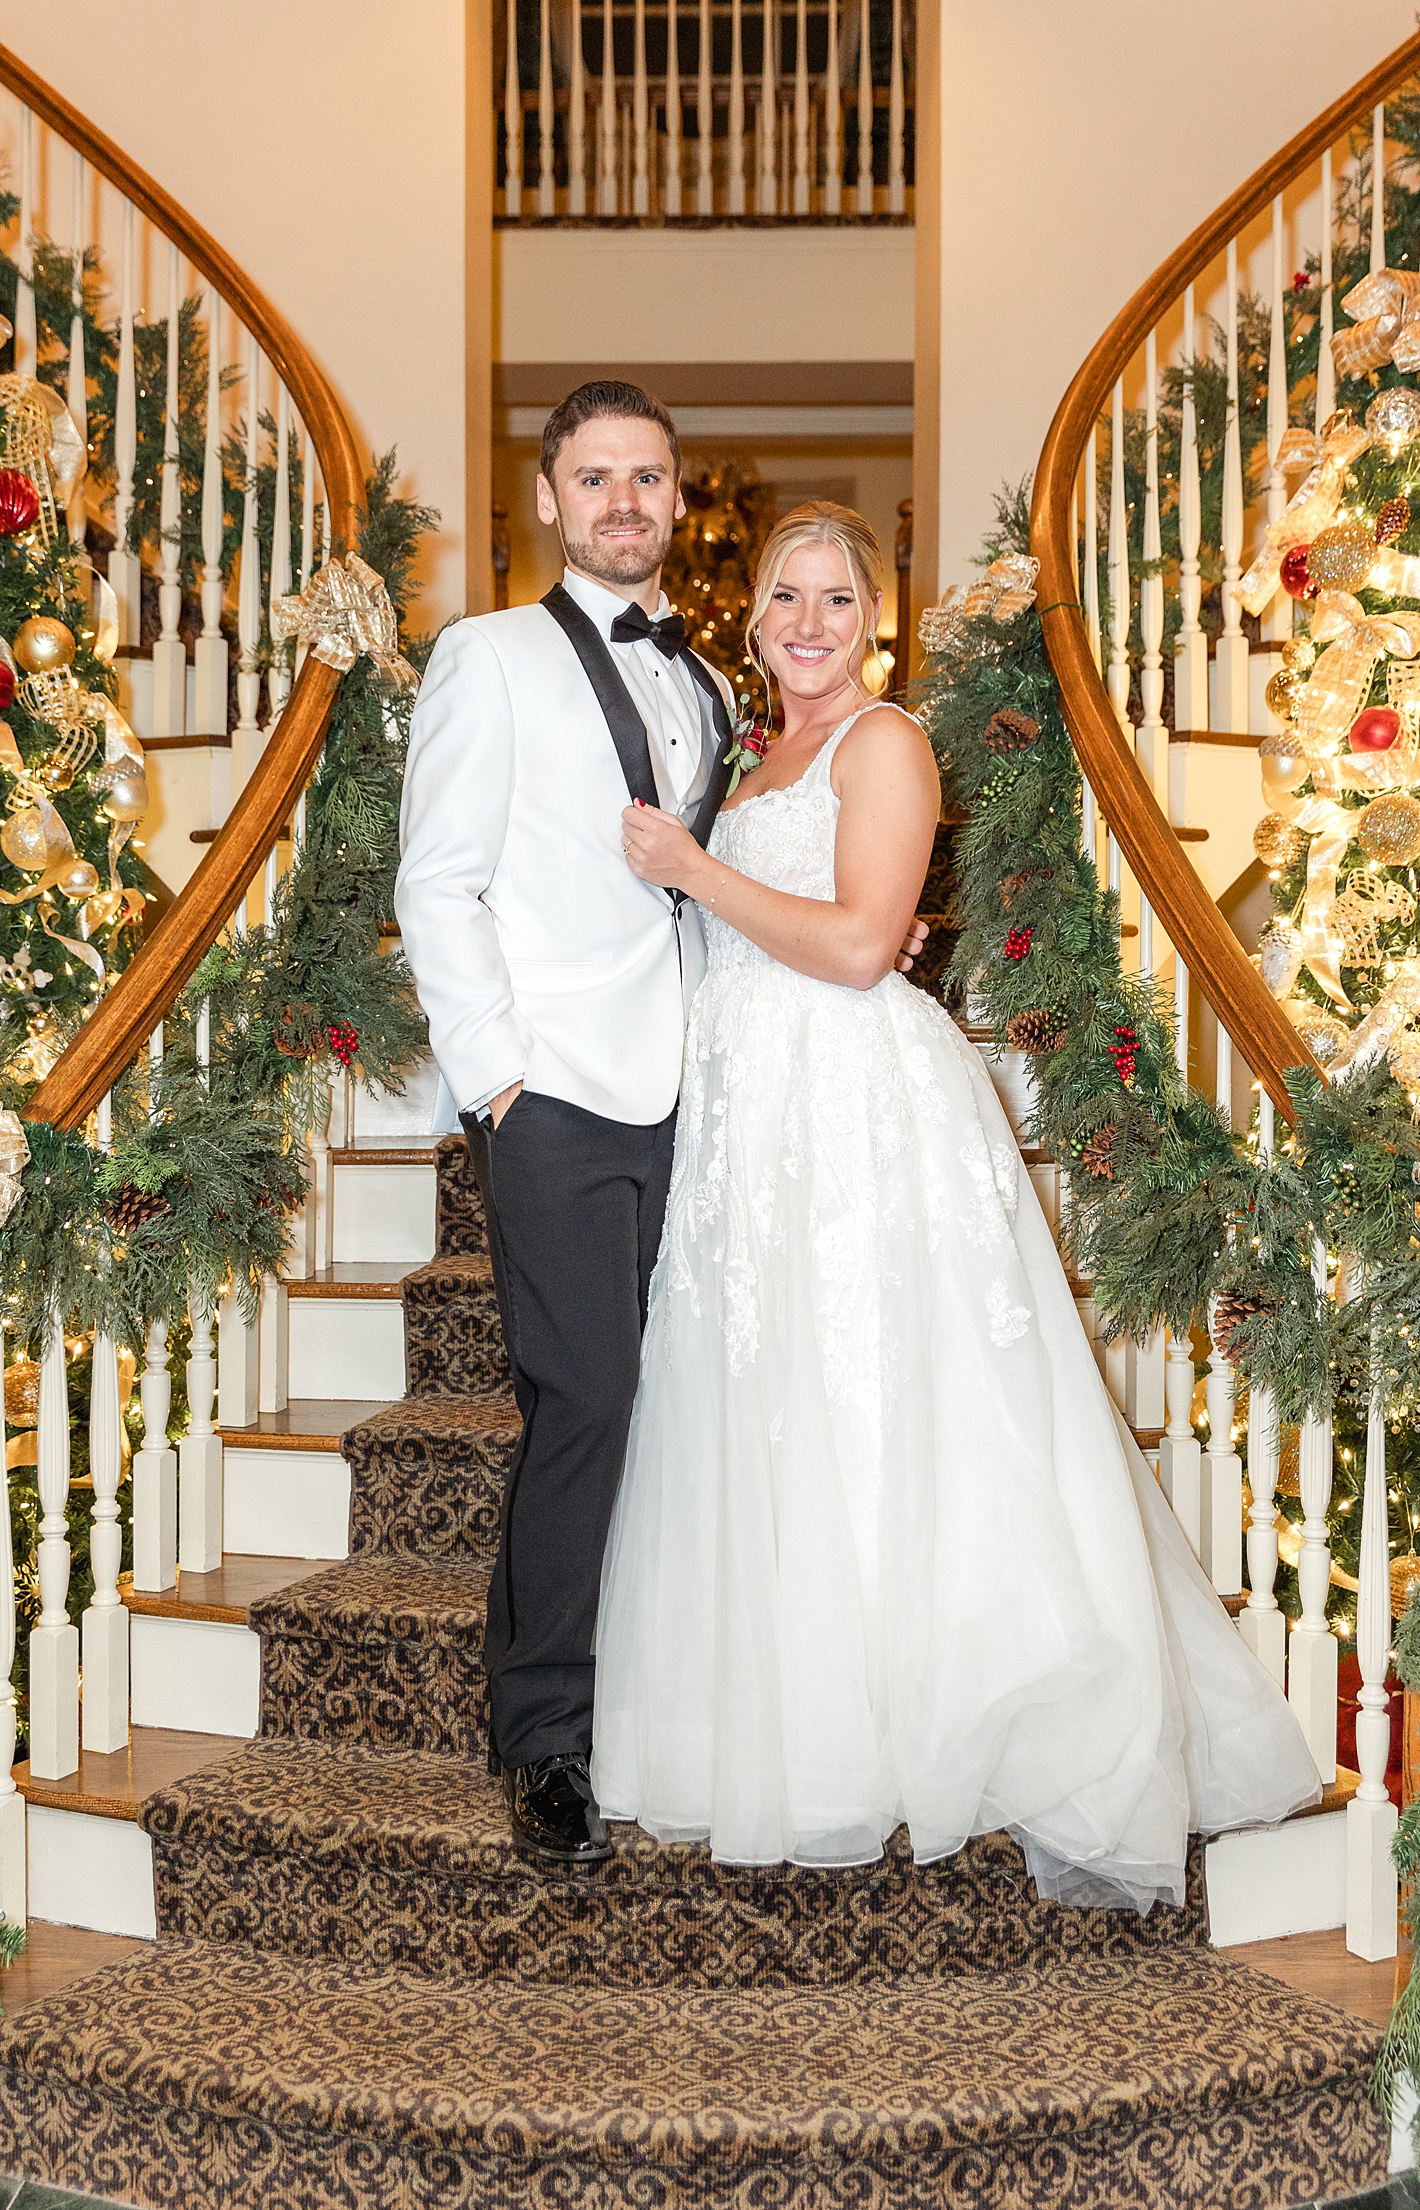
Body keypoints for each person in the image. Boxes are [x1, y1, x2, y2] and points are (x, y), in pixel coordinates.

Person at [590, 501, 1322, 1907]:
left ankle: (940, 1719)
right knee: (770, 1405)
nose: (810, 621)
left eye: (837, 598)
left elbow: (868, 944)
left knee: (892, 1406)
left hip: (855, 1106)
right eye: (787, 597)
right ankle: (798, 1723)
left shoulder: (888, 742)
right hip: (752, 1116)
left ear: (877, 619)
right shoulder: (753, 758)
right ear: (752, 620)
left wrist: (695, 872)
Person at [396, 385, 926, 1867]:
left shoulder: (708, 688)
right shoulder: (485, 657)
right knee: (589, 1398)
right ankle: (543, 1734)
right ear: (551, 498)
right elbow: (435, 880)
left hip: (703, 1095)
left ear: (676, 498)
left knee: (687, 1400)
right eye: (594, 477)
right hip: (555, 1091)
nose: (623, 500)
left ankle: (653, 1684)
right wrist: (496, 1075)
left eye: (648, 477)